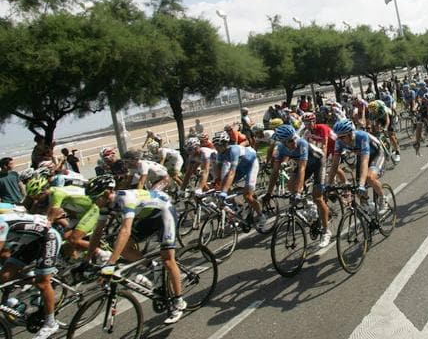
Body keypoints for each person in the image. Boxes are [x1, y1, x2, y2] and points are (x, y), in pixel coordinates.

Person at [84, 175, 187, 324]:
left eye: (95, 198)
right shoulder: (105, 206)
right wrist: (87, 259)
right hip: (148, 216)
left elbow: (125, 230)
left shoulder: (125, 199)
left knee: (167, 259)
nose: (93, 202)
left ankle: (179, 301)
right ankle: (153, 267)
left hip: (164, 211)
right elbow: (98, 232)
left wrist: (111, 263)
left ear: (107, 193)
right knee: (124, 248)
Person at [264, 125, 332, 247]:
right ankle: (309, 205)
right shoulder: (280, 149)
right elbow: (274, 172)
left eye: (294, 138)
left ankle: (326, 231)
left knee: (317, 197)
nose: (294, 142)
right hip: (304, 164)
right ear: (283, 142)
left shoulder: (301, 144)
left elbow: (302, 169)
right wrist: (269, 193)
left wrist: (298, 192)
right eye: (290, 141)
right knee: (290, 185)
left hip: (318, 163)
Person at [0, 209, 62, 339]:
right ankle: (31, 277)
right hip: (31, 240)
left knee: (42, 282)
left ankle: (50, 324)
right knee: (4, 276)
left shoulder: (1, 225)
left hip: (48, 237)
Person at [327, 119, 387, 215]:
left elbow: (364, 161)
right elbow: (334, 164)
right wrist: (328, 184)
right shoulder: (339, 142)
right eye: (338, 137)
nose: (339, 139)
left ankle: (382, 198)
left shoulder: (361, 136)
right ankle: (368, 206)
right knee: (357, 188)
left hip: (377, 154)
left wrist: (362, 184)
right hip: (362, 155)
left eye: (342, 137)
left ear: (350, 134)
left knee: (369, 177)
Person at [211, 132, 266, 231]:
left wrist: (223, 190)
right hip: (240, 167)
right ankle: (238, 207)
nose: (216, 148)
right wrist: (216, 182)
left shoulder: (233, 150)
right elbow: (219, 172)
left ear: (225, 144)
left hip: (251, 164)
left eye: (218, 146)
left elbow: (231, 172)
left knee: (247, 195)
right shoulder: (220, 154)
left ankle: (261, 215)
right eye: (215, 146)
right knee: (225, 188)